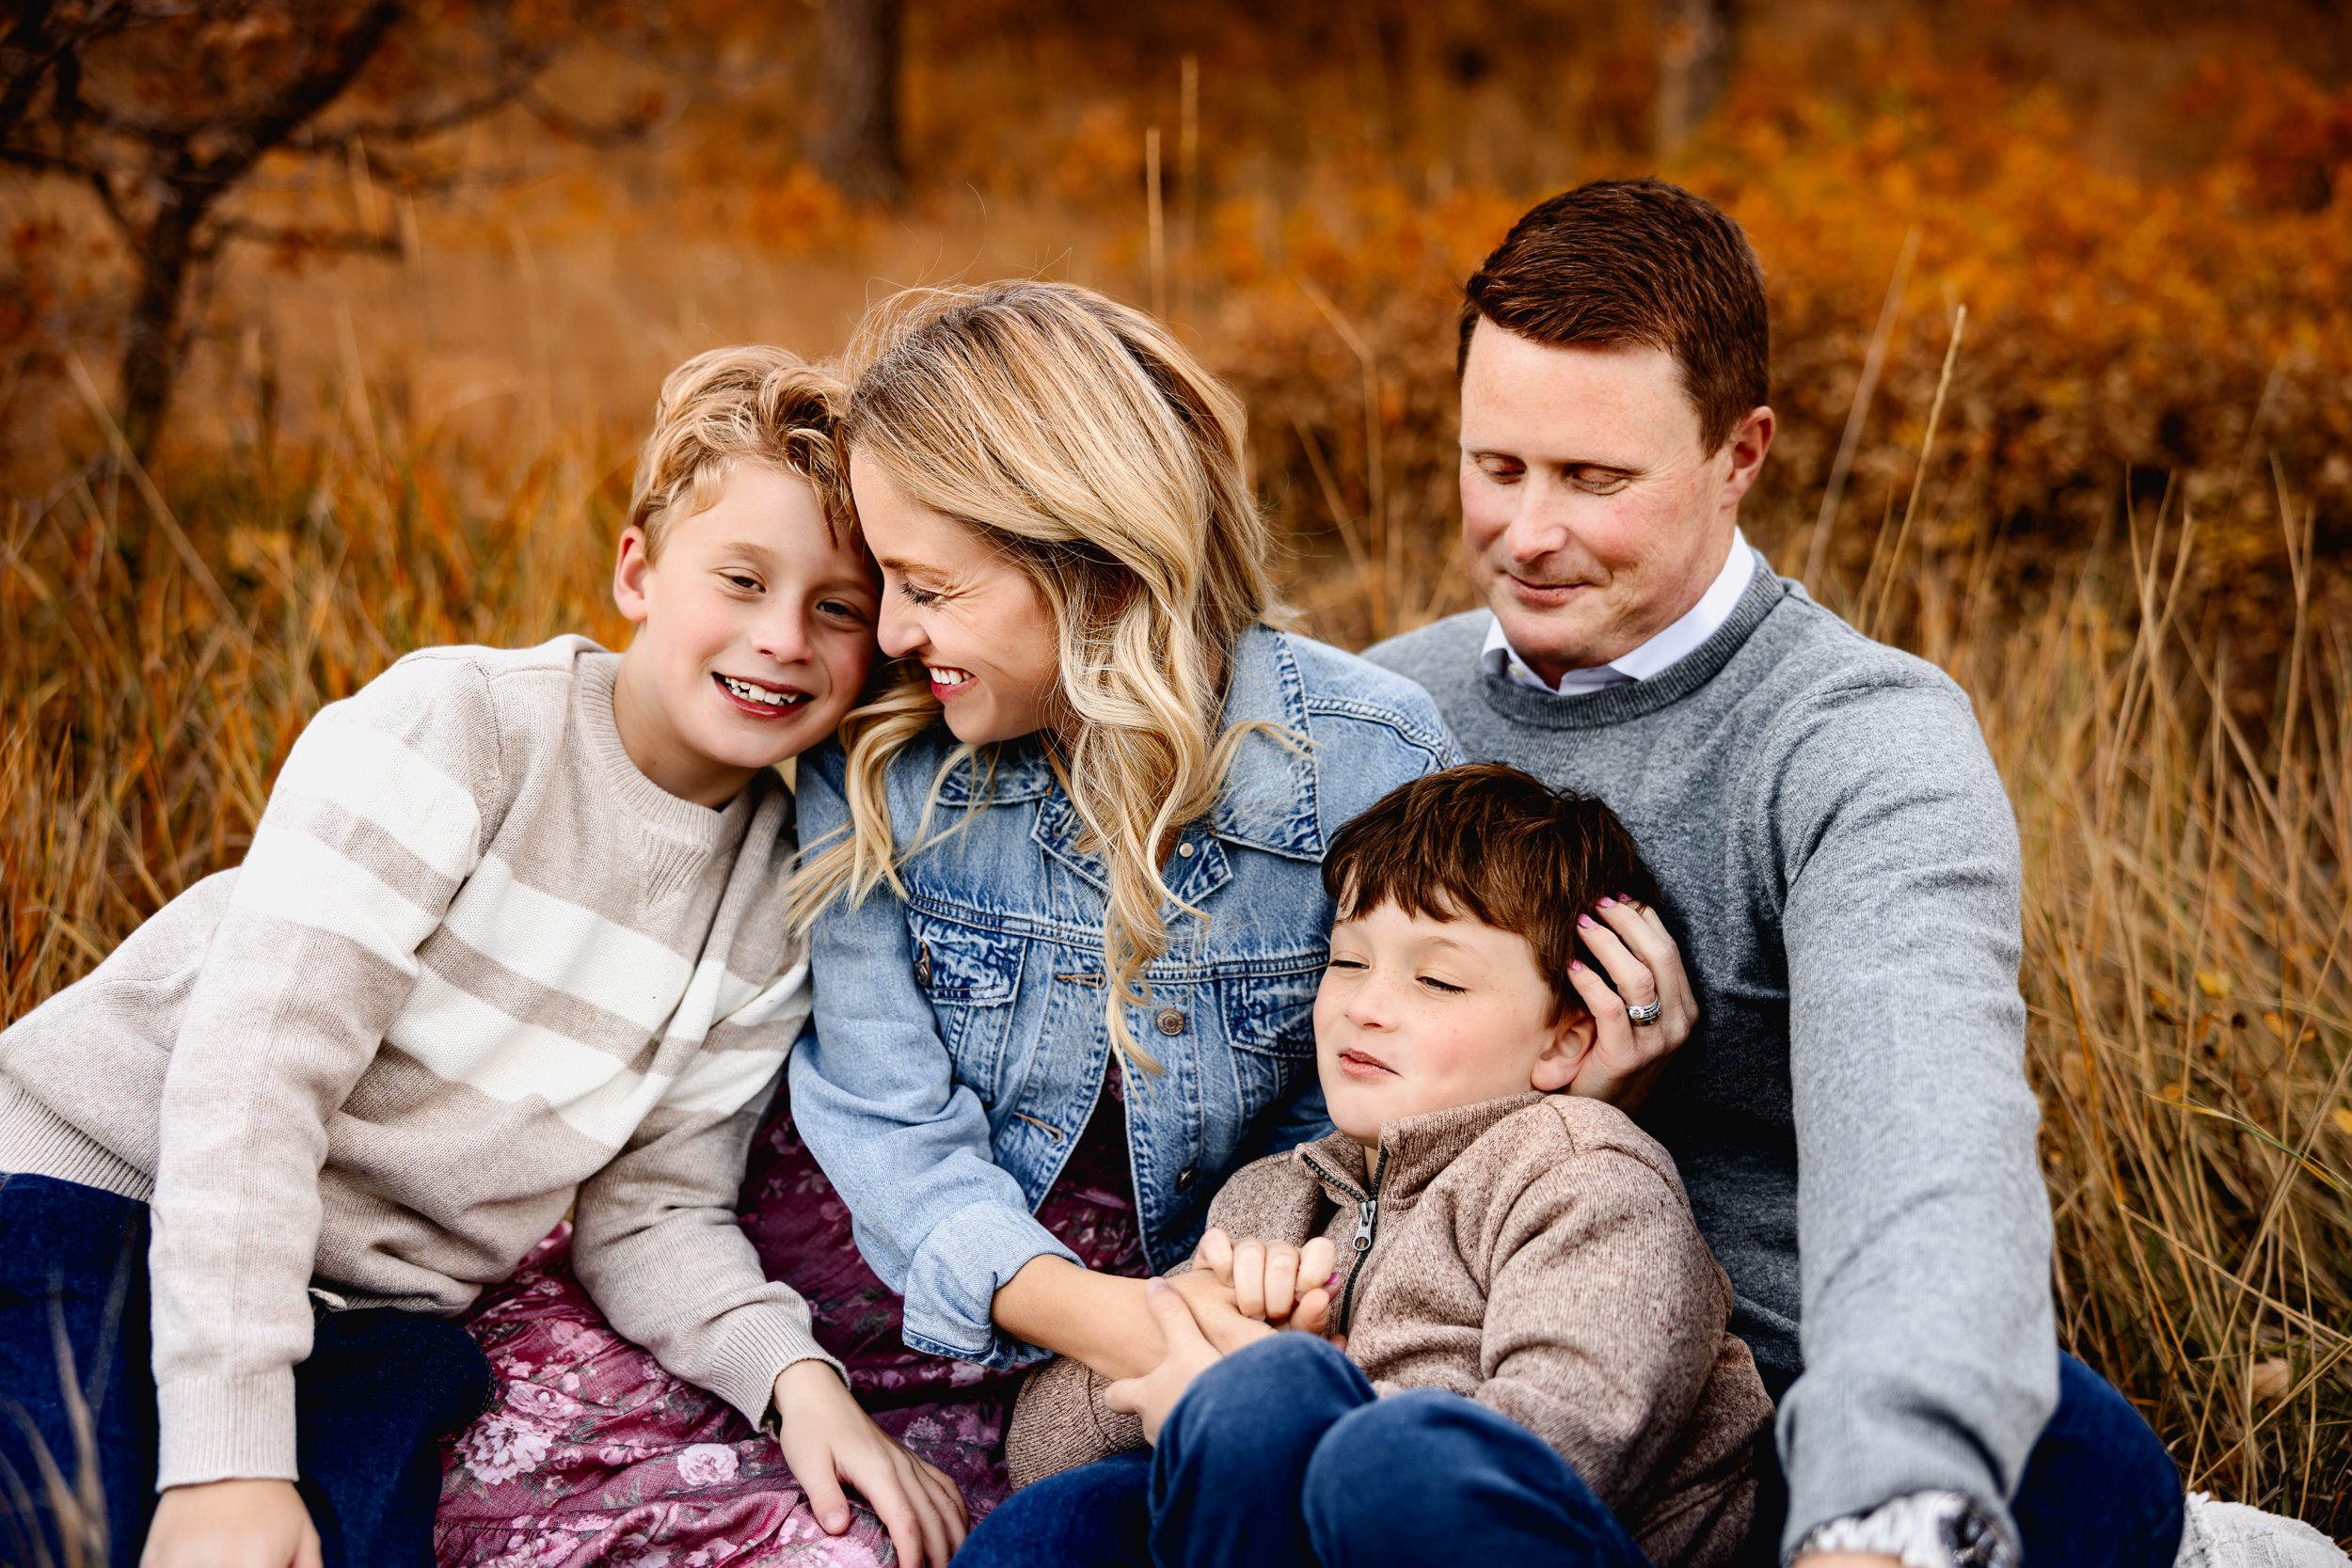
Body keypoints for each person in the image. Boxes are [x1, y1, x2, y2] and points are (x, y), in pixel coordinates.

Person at [0, 346, 965, 1568]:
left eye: (836, 605)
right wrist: (229, 1458)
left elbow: (652, 1204)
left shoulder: (778, 891)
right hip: (103, 1198)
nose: (782, 637)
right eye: (741, 577)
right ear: (637, 569)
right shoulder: (460, 729)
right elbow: (251, 1085)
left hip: (374, 1321)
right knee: (60, 1525)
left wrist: (796, 1381)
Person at [1361, 178, 2184, 1568]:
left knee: (2073, 1458)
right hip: (1451, 1370)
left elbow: (1923, 1127)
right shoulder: (1390, 710)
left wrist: (1884, 1501)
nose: (1529, 532)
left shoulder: (1863, 740)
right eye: (1494, 467)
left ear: (1742, 453)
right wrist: (1558, 1123)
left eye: (1595, 479)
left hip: (1789, 1408)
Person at [782, 279, 1701, 1469]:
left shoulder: (1365, 754)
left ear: (1094, 569)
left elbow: (1369, 1118)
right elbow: (880, 1114)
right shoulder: (880, 760)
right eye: (887, 580)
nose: (894, 632)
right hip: (905, 1299)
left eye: (931, 587)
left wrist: (1560, 1099)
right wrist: (1126, 1321)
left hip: (1237, 1327)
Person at [967, 763, 1773, 1568]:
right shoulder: (1276, 1193)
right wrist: (1189, 1320)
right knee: (1058, 1519)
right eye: (1347, 961)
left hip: (1505, 1533)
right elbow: (1039, 1449)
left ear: (1565, 1038)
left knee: (1356, 1443)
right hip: (1279, 1529)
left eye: (1437, 978)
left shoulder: (1584, 1176)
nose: (1365, 1003)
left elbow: (1568, 1449)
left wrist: (1259, 1396)